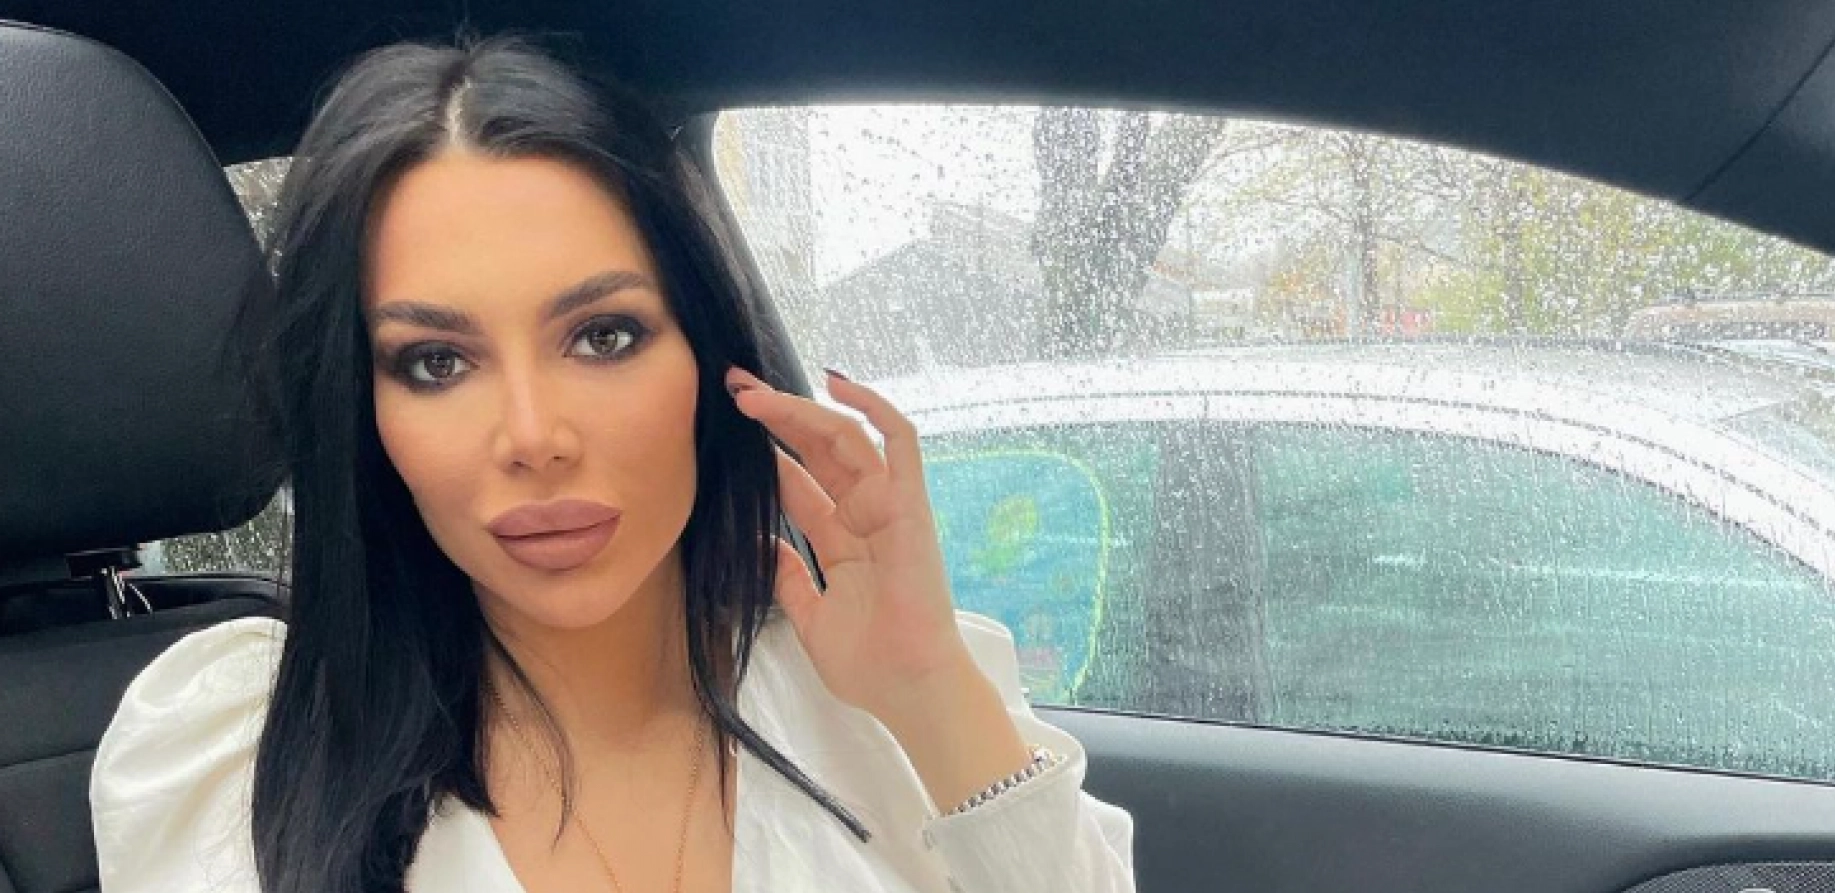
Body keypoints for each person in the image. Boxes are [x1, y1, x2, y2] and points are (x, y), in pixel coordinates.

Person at [88, 35, 1136, 893]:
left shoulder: (879, 697)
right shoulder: (239, 747)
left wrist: (929, 694)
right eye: (436, 361)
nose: (533, 433)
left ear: (709, 364)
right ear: (363, 413)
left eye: (603, 336)